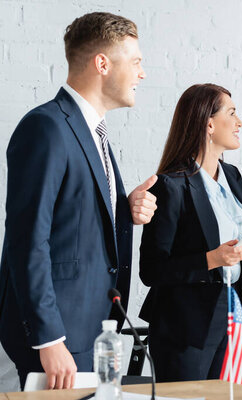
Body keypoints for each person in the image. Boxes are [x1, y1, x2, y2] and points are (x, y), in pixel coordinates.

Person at [0, 12, 158, 390]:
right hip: (58, 338)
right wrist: (49, 339)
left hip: (91, 330)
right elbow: (27, 240)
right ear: (102, 63)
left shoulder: (93, 132)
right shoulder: (47, 128)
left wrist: (125, 207)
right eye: (136, 62)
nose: (142, 73)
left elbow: (73, 219)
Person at [138, 84, 242, 382]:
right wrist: (212, 258)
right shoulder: (170, 185)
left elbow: (232, 251)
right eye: (233, 113)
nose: (241, 122)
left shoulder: (234, 177)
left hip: (232, 313)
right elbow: (151, 270)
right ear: (209, 124)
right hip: (185, 328)